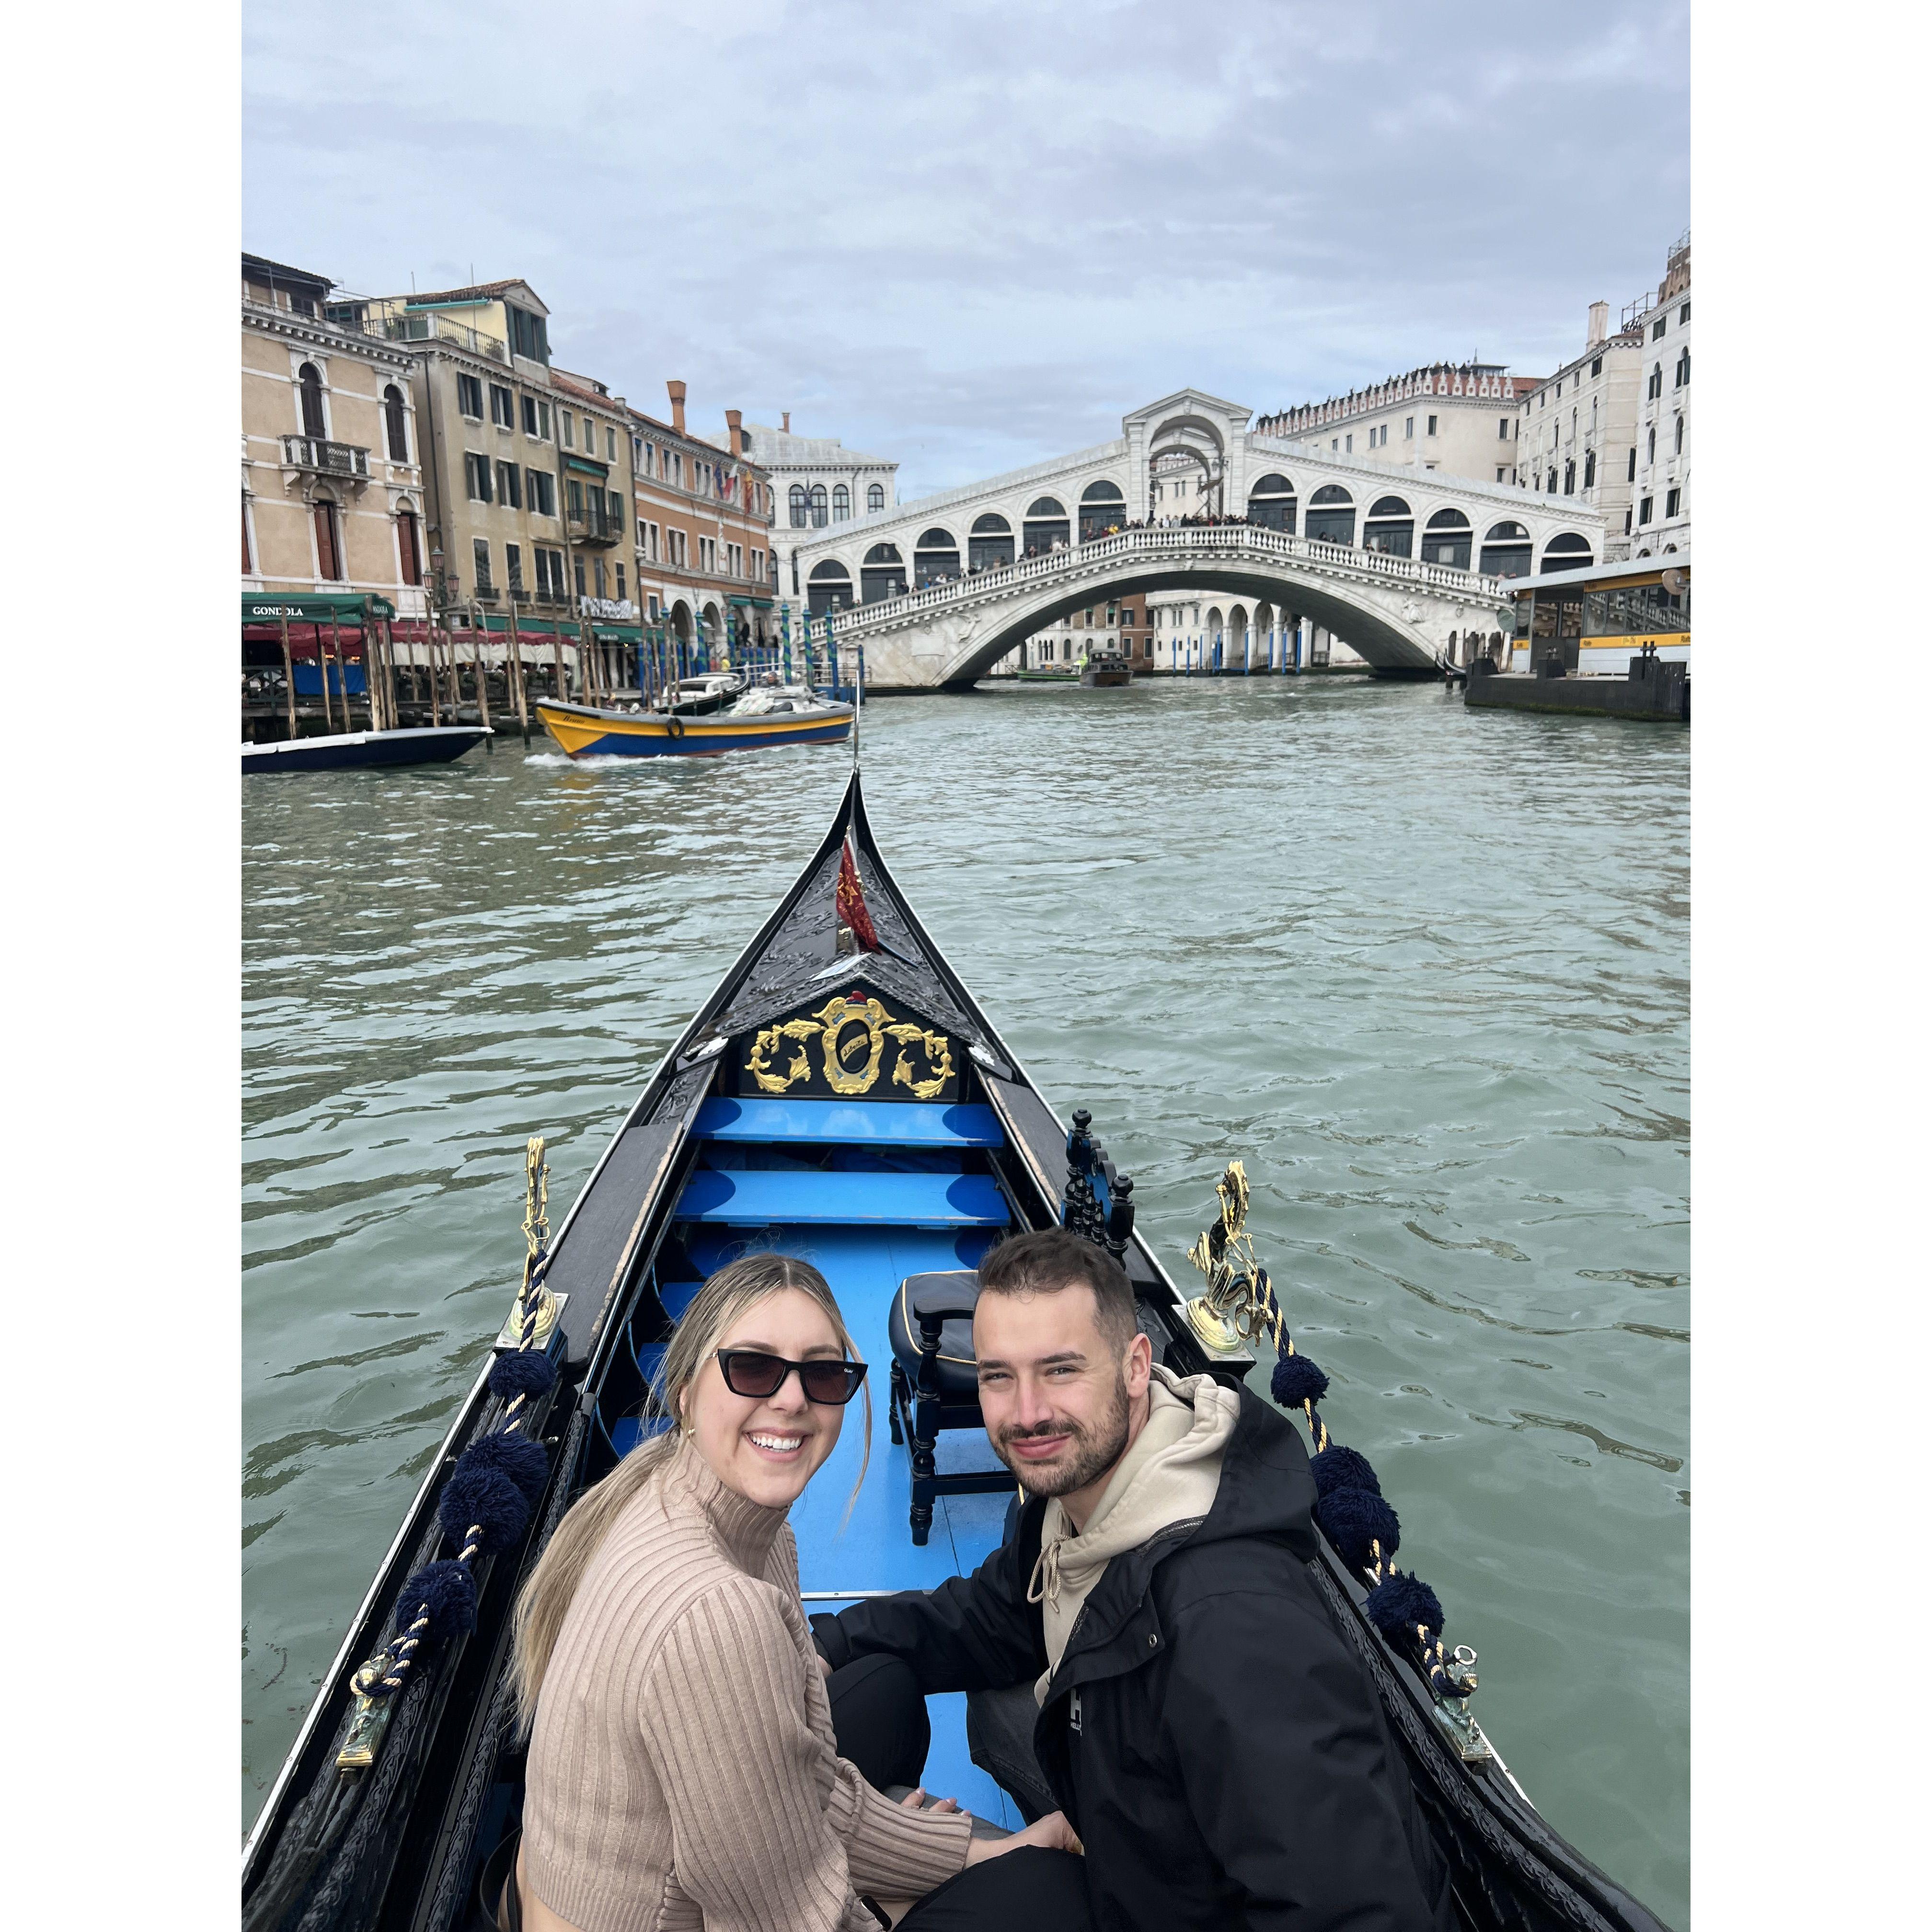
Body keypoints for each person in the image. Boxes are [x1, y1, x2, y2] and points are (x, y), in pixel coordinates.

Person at [811, 1230, 1455, 1932]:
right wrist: (823, 1643)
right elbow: (994, 1614)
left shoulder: (1235, 1630)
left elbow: (1357, 1912)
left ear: (1135, 1366)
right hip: (1151, 1840)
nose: (1027, 1413)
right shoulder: (1078, 1499)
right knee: (922, 1680)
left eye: (1060, 1370)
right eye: (999, 1376)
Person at [508, 1253, 1086, 1932]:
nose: (791, 1399)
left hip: (609, 1881)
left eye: (822, 1374)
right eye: (753, 1368)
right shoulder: (718, 1616)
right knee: (1055, 1895)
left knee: (886, 1689)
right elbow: (784, 1918)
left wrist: (969, 1853)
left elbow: (806, 1785)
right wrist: (882, 1903)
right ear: (688, 1391)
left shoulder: (693, 1507)